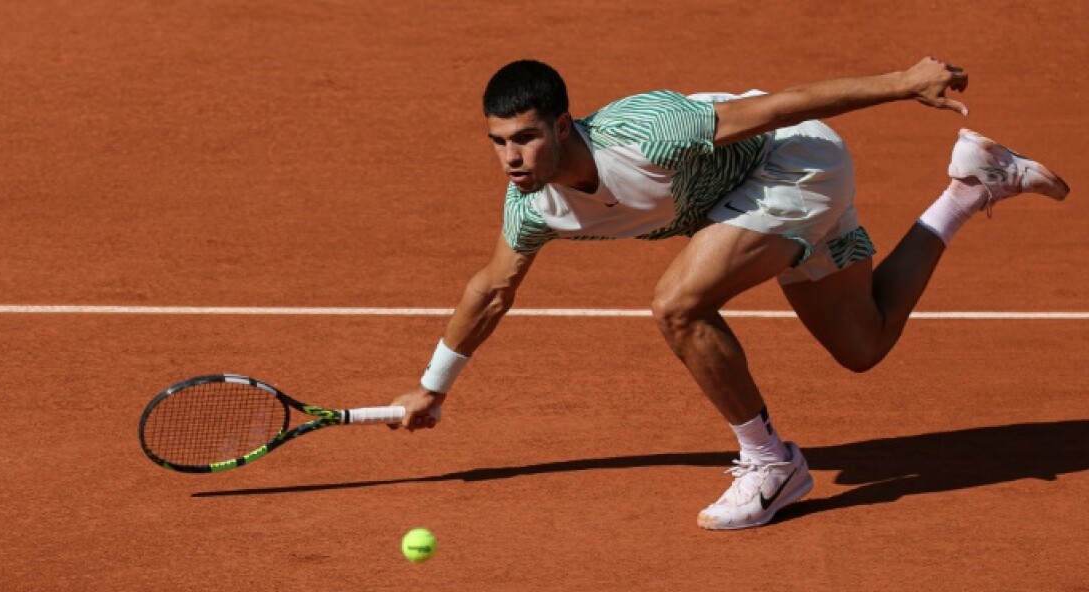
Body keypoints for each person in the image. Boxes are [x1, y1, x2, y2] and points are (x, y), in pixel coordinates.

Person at [388, 58, 1069, 530]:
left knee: (677, 304)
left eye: (527, 138)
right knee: (864, 342)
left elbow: (779, 107)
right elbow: (492, 288)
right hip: (742, 203)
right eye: (499, 142)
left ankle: (772, 463)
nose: (511, 158)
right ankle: (974, 185)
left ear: (563, 127)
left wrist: (903, 83)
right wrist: (433, 387)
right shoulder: (532, 206)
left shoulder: (649, 133)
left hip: (792, 163)